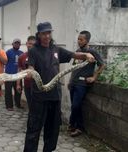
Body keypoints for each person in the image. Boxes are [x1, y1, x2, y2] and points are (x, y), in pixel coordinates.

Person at [23, 22, 95, 152]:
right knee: (34, 128)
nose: (47, 36)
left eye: (48, 32)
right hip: (39, 97)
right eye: (44, 33)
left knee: (53, 129)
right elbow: (31, 66)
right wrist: (30, 72)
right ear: (38, 35)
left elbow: (73, 55)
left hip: (55, 96)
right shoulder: (34, 50)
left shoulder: (56, 49)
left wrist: (86, 55)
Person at [68, 30, 105, 137]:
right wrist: (70, 81)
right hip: (74, 83)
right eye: (78, 39)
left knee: (76, 105)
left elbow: (102, 65)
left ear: (87, 40)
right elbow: (74, 67)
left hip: (82, 84)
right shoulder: (78, 51)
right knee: (75, 106)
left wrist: (94, 77)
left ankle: (75, 125)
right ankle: (76, 126)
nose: (79, 41)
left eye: (81, 39)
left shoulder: (92, 52)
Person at [16, 36, 36, 111]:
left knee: (37, 106)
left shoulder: (39, 56)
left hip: (37, 86)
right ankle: (32, 120)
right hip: (27, 85)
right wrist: (18, 84)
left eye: (33, 44)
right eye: (30, 43)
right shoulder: (22, 57)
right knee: (30, 105)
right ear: (26, 44)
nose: (31, 45)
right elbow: (19, 71)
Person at [4, 38, 23, 111]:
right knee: (8, 91)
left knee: (18, 90)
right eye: (15, 43)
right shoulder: (8, 52)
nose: (17, 44)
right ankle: (9, 106)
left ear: (20, 45)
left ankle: (18, 104)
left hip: (18, 75)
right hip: (9, 75)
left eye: (18, 43)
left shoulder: (21, 53)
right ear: (12, 44)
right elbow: (4, 61)